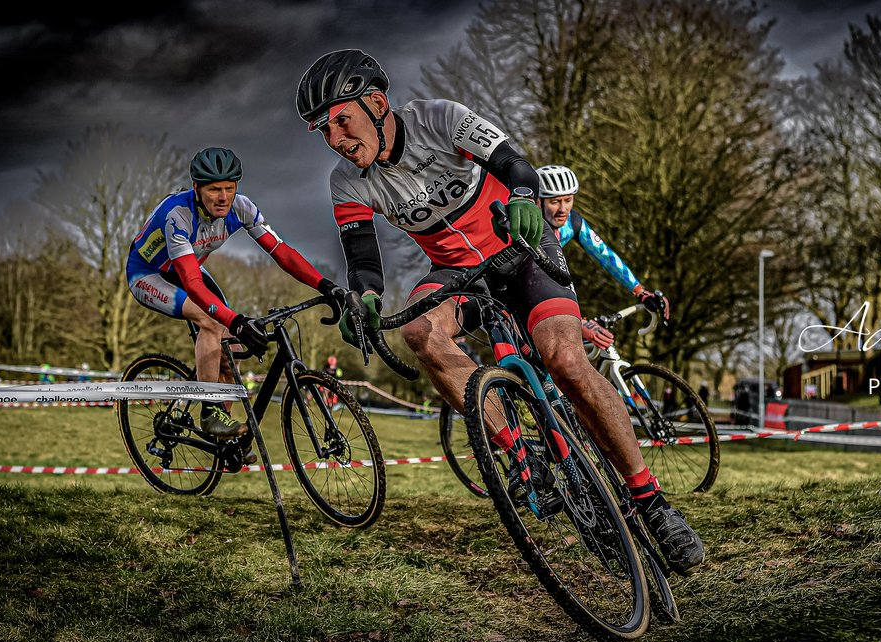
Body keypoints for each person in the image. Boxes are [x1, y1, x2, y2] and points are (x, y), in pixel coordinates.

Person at [296, 49, 705, 575]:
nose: (336, 141)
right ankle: (517, 449)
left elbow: (517, 166)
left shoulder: (440, 119)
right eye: (323, 133)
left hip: (520, 251)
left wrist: (522, 196)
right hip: (458, 273)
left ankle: (650, 500)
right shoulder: (347, 182)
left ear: (377, 103)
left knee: (564, 358)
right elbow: (363, 261)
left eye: (340, 122)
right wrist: (365, 299)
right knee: (419, 329)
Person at [126, 147, 348, 448]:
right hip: (149, 274)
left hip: (186, 271)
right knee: (212, 322)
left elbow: (282, 253)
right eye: (214, 189)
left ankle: (226, 436)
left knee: (235, 346)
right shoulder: (177, 214)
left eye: (229, 188)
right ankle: (210, 410)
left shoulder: (242, 207)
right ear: (196, 189)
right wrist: (236, 320)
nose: (223, 197)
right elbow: (192, 283)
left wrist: (325, 285)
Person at [535, 165, 670, 352]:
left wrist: (640, 291)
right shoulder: (530, 228)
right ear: (537, 202)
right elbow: (539, 282)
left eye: (568, 200)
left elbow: (605, 255)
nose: (563, 209)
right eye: (555, 202)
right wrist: (576, 321)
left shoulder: (572, 223)